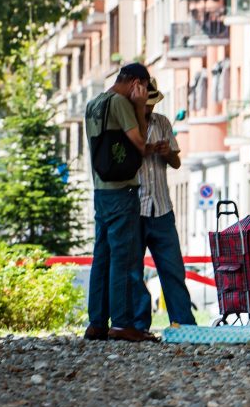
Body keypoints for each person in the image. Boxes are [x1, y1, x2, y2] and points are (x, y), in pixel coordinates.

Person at [84, 63, 155, 342]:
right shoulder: (121, 103)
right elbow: (139, 142)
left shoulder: (94, 103)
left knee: (101, 256)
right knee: (124, 259)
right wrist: (138, 108)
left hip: (101, 190)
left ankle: (97, 322)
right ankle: (123, 323)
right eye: (145, 88)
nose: (145, 95)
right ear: (137, 83)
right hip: (122, 189)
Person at [128, 79, 197, 330]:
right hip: (135, 208)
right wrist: (145, 149)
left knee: (173, 270)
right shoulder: (128, 125)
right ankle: (139, 324)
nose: (149, 110)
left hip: (162, 207)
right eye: (145, 105)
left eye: (151, 105)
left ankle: (183, 324)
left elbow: (176, 163)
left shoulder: (164, 123)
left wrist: (166, 151)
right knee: (134, 272)